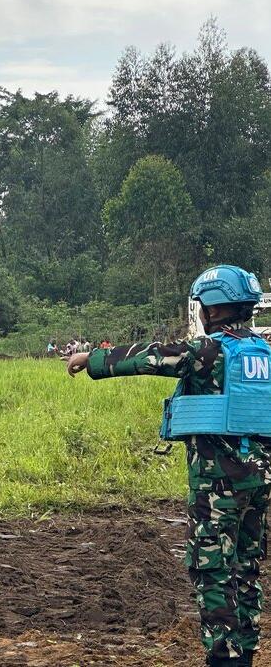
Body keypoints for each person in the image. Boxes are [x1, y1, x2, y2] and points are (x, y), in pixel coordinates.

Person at [67, 265, 271, 667]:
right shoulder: (265, 355)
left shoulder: (208, 353)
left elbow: (150, 356)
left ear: (212, 308)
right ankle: (245, 652)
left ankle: (225, 659)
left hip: (217, 487)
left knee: (213, 570)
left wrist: (92, 359)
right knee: (246, 567)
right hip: (260, 481)